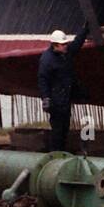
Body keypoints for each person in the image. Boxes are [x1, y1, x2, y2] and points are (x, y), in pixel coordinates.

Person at [38, 23, 89, 153]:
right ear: (55, 45)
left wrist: (85, 28)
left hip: (65, 98)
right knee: (57, 131)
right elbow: (43, 80)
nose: (66, 46)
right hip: (56, 102)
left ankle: (61, 152)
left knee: (64, 128)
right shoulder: (47, 60)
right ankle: (55, 155)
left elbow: (77, 43)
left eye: (66, 44)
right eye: (63, 44)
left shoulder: (65, 53)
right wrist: (46, 98)